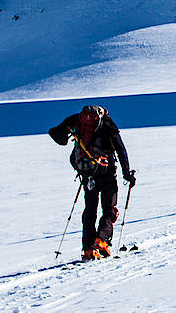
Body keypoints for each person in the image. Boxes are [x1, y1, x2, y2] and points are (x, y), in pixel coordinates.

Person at [49, 105, 135, 260]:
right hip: (106, 172)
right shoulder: (108, 124)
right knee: (109, 208)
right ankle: (101, 240)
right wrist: (127, 173)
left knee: (90, 211)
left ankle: (88, 249)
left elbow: (55, 133)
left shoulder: (77, 120)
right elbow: (121, 149)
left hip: (87, 173)